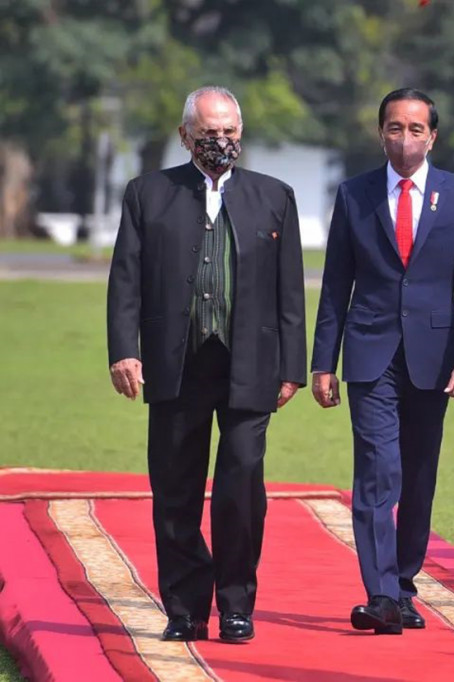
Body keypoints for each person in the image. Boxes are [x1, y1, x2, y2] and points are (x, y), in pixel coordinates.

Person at [106, 86, 307, 643]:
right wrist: (125, 348)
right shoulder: (147, 194)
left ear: (241, 134)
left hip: (251, 364)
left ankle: (237, 605)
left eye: (230, 133)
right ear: (185, 136)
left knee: (242, 486)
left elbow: (291, 289)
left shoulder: (275, 196)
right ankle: (186, 609)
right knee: (175, 490)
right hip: (176, 363)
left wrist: (293, 363)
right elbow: (126, 278)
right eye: (210, 133)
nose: (221, 142)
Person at [310, 88, 454, 635]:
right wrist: (323, 361)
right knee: (376, 470)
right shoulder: (355, 194)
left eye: (415, 129)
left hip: (434, 359)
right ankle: (381, 593)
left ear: (432, 136)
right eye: (394, 127)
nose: (404, 137)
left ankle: (405, 584)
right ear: (380, 133)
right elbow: (337, 281)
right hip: (369, 354)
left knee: (417, 475)